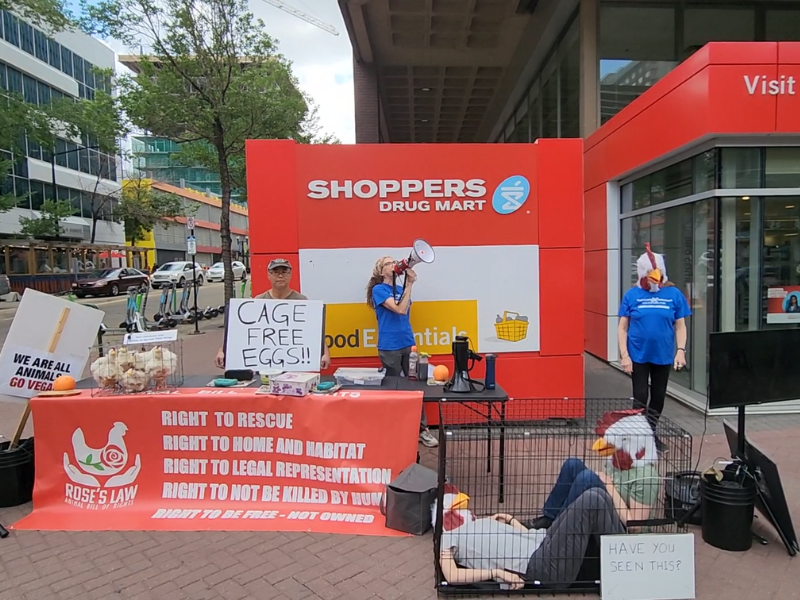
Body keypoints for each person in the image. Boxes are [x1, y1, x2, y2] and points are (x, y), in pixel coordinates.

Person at [438, 488, 626, 590]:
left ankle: (629, 560)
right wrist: (498, 573)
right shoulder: (448, 541)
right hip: (541, 565)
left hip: (543, 540)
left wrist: (511, 520)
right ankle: (628, 566)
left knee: (598, 495)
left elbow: (519, 536)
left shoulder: (476, 523)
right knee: (591, 500)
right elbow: (452, 576)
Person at [525, 410, 659, 530]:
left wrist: (609, 487)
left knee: (587, 478)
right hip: (606, 511)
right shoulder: (616, 460)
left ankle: (557, 532)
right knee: (572, 465)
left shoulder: (645, 475)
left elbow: (635, 526)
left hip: (620, 532)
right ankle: (550, 519)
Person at [618, 243, 690, 452]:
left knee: (658, 397)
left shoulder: (674, 295)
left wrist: (681, 351)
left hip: (663, 354)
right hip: (638, 355)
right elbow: (622, 327)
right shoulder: (632, 295)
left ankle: (650, 434)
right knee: (640, 397)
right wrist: (624, 355)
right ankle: (637, 438)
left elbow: (680, 326)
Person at [366, 256, 438, 448]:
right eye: (388, 263)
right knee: (393, 389)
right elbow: (399, 309)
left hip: (408, 343)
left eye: (393, 261)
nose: (393, 265)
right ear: (381, 271)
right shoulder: (379, 290)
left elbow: (404, 311)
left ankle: (422, 430)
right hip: (389, 346)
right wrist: (409, 285)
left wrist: (407, 283)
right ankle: (394, 429)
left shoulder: (399, 288)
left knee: (415, 387)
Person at [215, 258, 331, 369]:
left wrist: (324, 353)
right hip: (264, 367)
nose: (280, 276)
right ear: (269, 275)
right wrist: (222, 351)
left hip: (294, 367)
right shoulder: (258, 301)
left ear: (290, 275)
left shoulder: (302, 301)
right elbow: (240, 332)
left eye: (284, 272)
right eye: (275, 272)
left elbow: (314, 331)